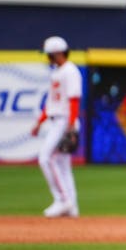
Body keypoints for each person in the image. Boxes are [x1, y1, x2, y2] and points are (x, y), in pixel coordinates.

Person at [31, 35, 82, 218]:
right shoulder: (57, 72)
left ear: (58, 53)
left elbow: (74, 100)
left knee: (46, 158)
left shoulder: (70, 71)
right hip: (57, 119)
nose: (47, 58)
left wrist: (71, 126)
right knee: (62, 164)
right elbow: (52, 103)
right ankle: (72, 206)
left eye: (49, 54)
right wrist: (39, 122)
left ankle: (63, 200)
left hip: (65, 121)